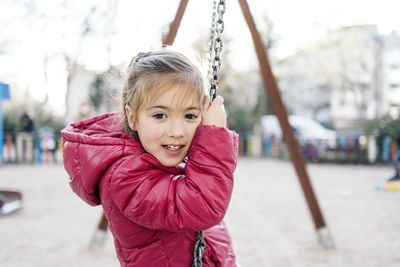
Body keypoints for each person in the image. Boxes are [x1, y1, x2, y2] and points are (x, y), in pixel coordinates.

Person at [61, 50, 239, 266]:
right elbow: (202, 207)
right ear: (133, 118)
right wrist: (213, 137)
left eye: (190, 116)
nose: (177, 131)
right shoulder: (123, 177)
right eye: (160, 115)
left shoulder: (166, 156)